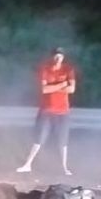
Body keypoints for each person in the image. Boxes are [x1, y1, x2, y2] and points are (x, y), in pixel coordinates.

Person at [17, 47, 76, 175]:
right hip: (46, 110)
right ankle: (28, 164)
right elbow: (45, 90)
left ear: (63, 57)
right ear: (52, 57)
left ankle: (64, 167)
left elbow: (72, 89)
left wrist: (53, 87)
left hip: (62, 111)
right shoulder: (45, 69)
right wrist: (62, 85)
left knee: (63, 141)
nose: (58, 58)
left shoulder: (68, 69)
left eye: (60, 55)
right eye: (56, 55)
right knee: (39, 138)